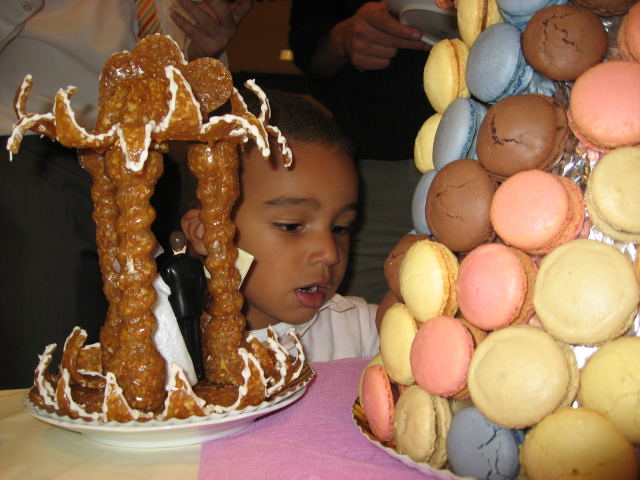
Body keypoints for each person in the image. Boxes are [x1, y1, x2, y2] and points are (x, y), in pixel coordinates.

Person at [0, 0, 253, 388]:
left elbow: (183, 87)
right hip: (37, 153)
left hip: (159, 163)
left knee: (156, 332)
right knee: (47, 351)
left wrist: (206, 52)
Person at [180, 90, 380, 362]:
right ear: (208, 234)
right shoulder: (165, 350)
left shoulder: (366, 333)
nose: (330, 253)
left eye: (340, 228)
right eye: (291, 226)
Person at [288, 1, 434, 304]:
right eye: (290, 226)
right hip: (378, 160)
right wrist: (343, 38)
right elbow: (309, 44)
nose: (329, 253)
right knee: (352, 317)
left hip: (503, 148)